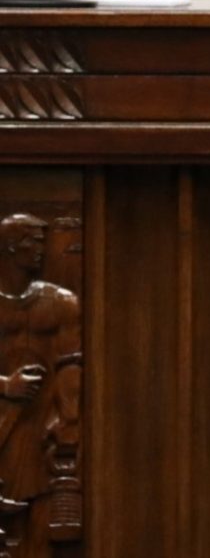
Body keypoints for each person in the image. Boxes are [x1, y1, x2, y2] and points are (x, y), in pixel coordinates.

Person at [0, 213, 82, 549]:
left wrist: (69, 420)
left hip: (39, 423)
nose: (40, 249)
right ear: (10, 246)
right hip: (5, 418)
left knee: (39, 522)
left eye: (42, 242)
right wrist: (6, 386)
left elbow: (71, 365)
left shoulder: (61, 303)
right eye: (31, 241)